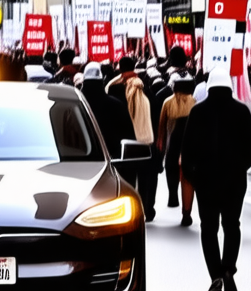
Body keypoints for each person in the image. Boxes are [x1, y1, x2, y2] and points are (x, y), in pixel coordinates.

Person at [180, 69, 251, 291]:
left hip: (205, 180)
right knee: (232, 225)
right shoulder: (241, 110)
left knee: (209, 228)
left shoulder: (198, 112)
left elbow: (187, 150)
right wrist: (241, 166)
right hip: (234, 180)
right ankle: (228, 269)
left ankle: (215, 274)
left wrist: (192, 176)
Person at [110, 57, 159, 221]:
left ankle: (128, 211)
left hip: (125, 142)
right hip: (145, 140)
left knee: (127, 179)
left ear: (119, 68)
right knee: (146, 178)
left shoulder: (114, 88)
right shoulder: (146, 88)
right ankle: (147, 209)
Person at [158, 74, 197, 225]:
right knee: (187, 176)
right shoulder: (194, 102)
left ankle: (173, 195)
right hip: (189, 142)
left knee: (171, 167)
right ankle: (186, 211)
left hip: (172, 140)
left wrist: (160, 139)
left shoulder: (168, 102)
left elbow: (162, 123)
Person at [80, 62, 136, 158]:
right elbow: (128, 138)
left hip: (78, 164)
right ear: (102, 81)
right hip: (113, 162)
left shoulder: (74, 106)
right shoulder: (116, 106)